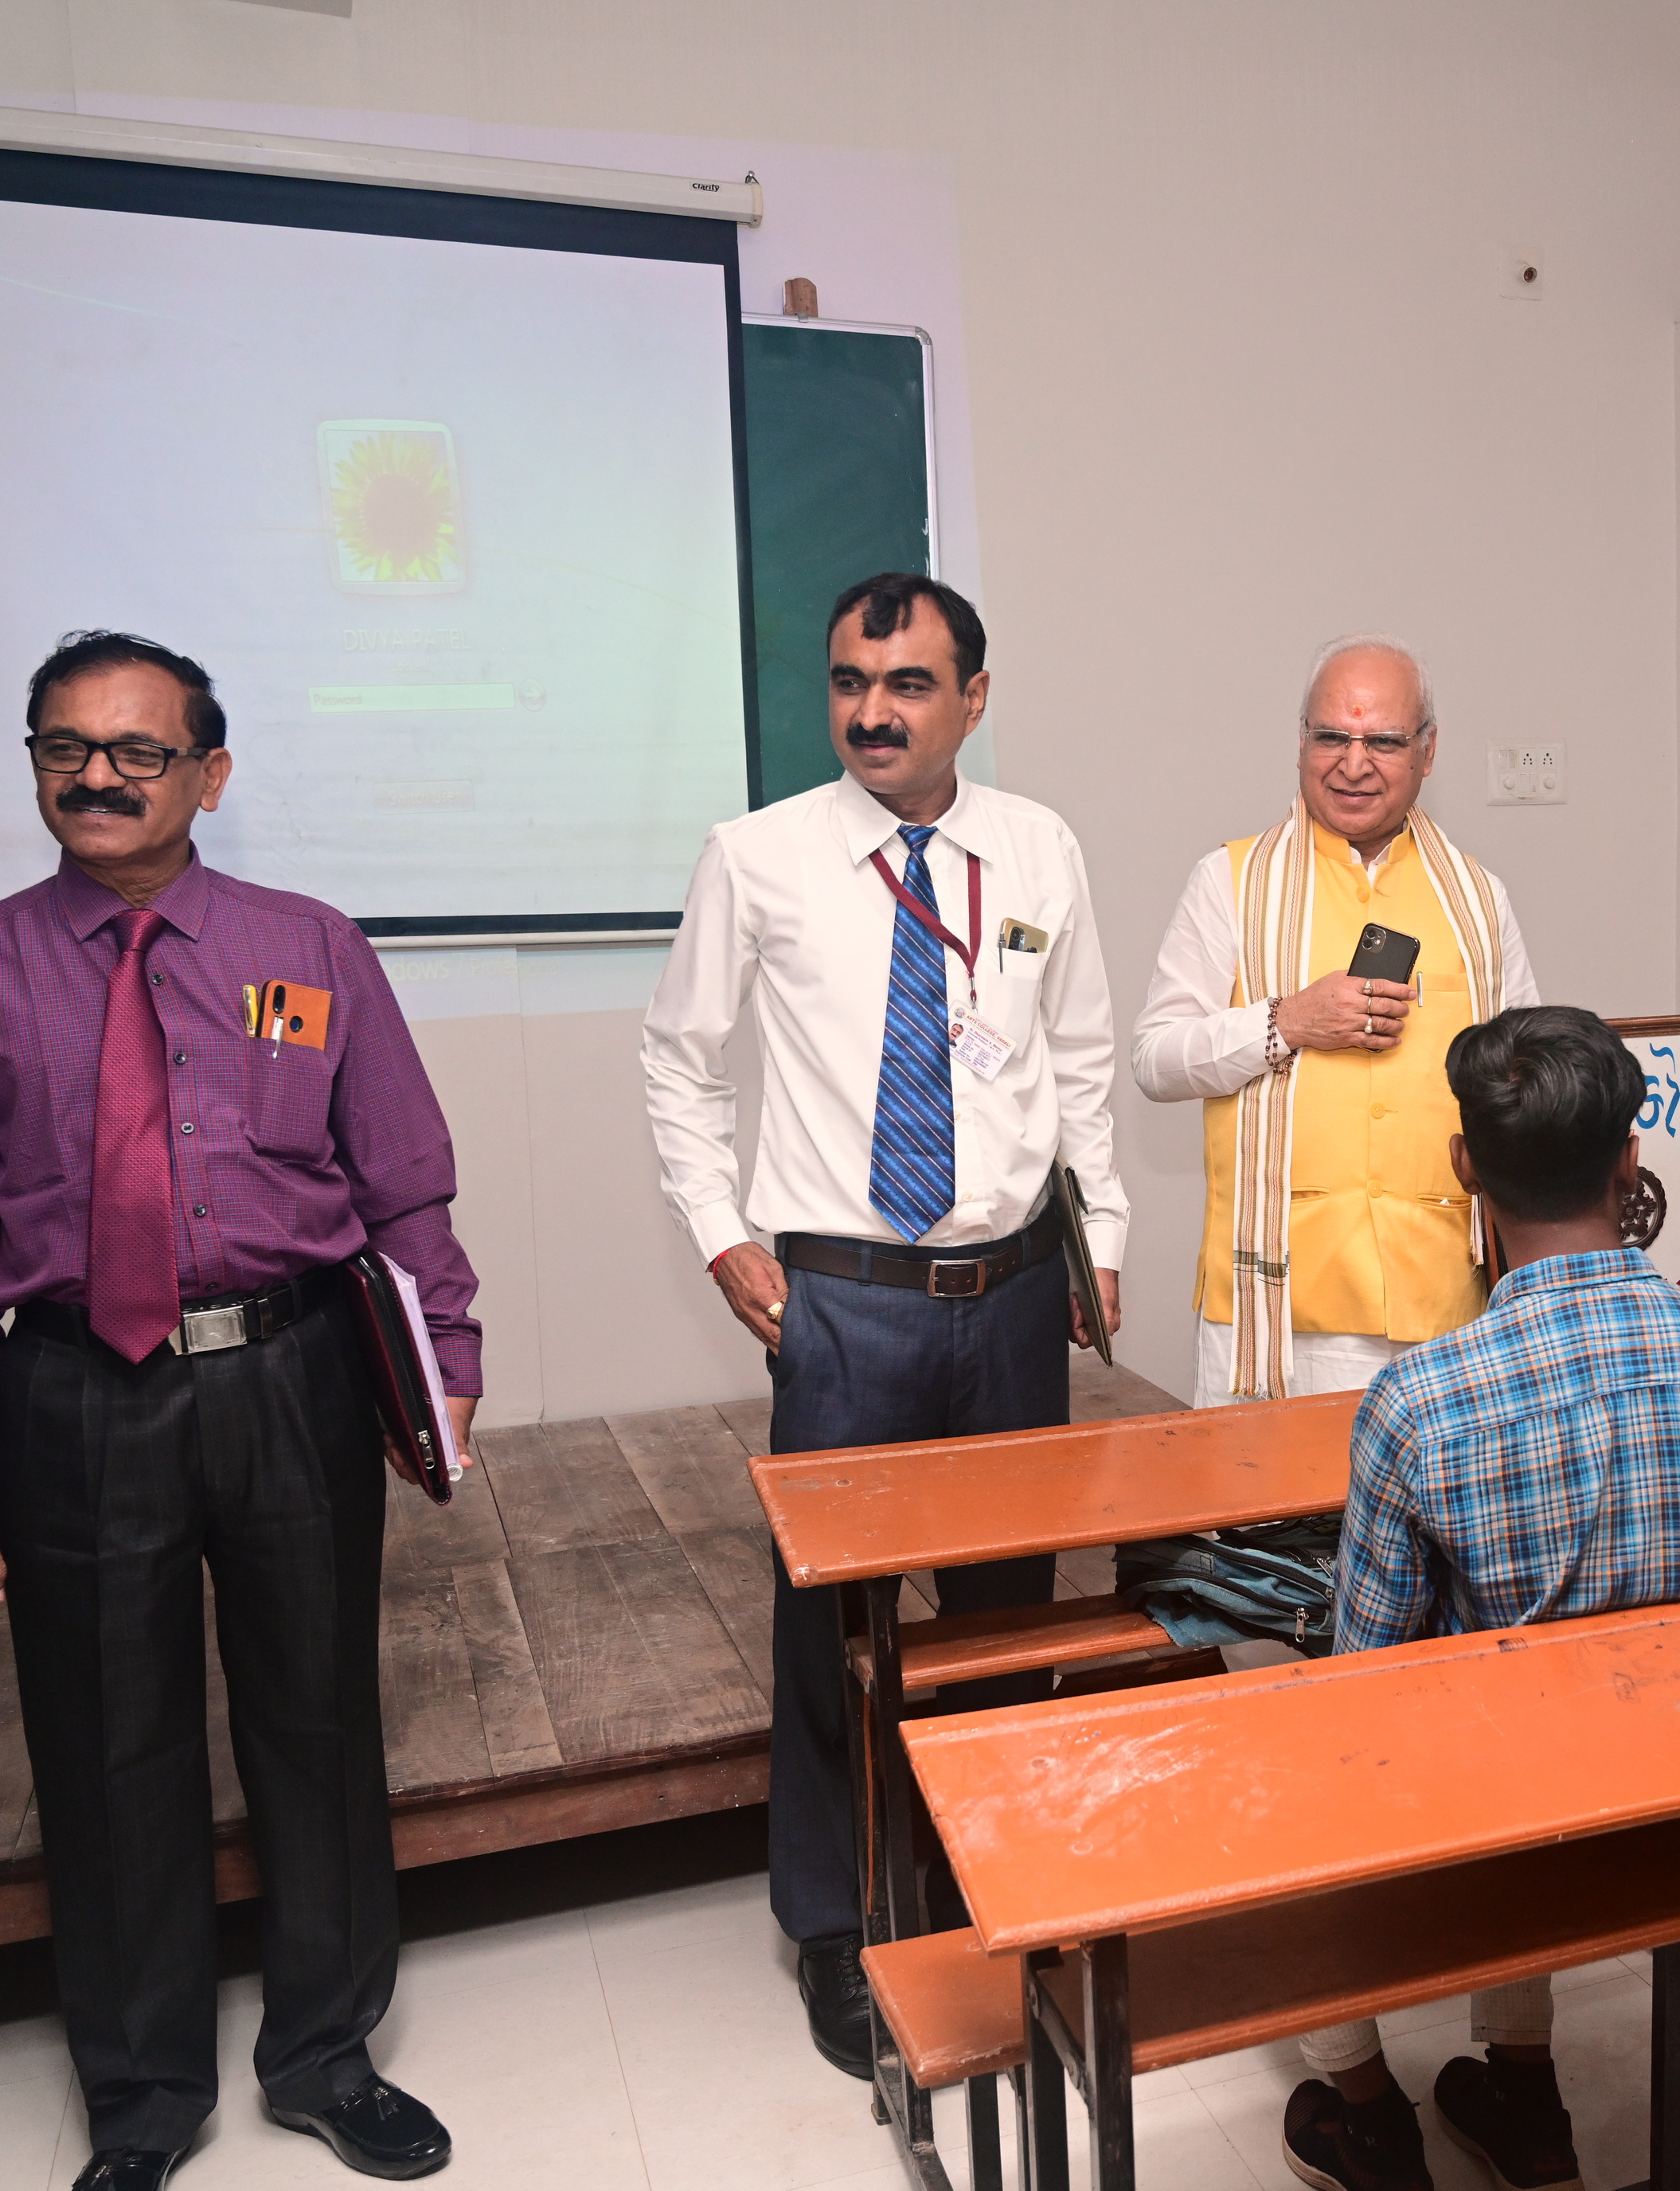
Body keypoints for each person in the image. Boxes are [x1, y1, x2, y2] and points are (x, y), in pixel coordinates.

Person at [0, 632, 479, 2189]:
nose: (99, 775)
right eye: (65, 747)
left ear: (208, 775)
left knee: (317, 1720)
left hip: (294, 1375)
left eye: (137, 750)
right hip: (78, 1391)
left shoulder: (310, 949)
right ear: (34, 765)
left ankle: (326, 2053)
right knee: (105, 1744)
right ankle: (142, 2091)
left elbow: (403, 1179)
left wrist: (445, 1359)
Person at [639, 572, 1127, 2080]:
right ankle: (837, 1923)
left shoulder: (1037, 846)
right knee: (831, 1636)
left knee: (1006, 1621)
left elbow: (1080, 1055)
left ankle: (994, 1897)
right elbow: (678, 1058)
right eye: (851, 680)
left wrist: (1101, 1236)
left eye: (909, 683)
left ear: (972, 698)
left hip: (1014, 1296)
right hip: (845, 1303)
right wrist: (722, 1232)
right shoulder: (759, 855)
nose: (872, 711)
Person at [1283, 1006, 1680, 2191]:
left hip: (1520, 1819)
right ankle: (1523, 2094)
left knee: (1309, 1740)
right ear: (1630, 1159)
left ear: (1464, 1165)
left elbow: (1364, 1679)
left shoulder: (1421, 1400)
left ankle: (1365, 2111)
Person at [1131, 635, 1537, 1408]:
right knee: (1260, 1494)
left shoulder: (1480, 899)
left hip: (1445, 1303)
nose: (1354, 764)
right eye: (1331, 737)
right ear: (1300, 742)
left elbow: (1525, 1085)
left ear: (1428, 751)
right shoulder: (1231, 881)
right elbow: (1156, 1061)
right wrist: (1287, 1021)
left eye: (1383, 741)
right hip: (1276, 1307)